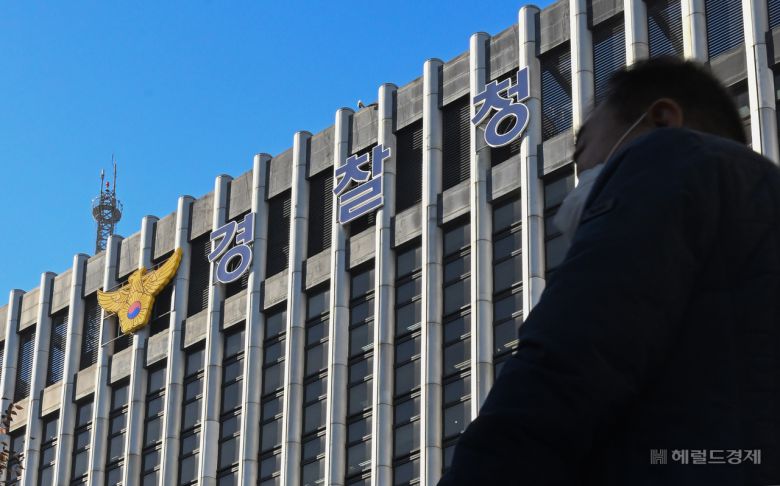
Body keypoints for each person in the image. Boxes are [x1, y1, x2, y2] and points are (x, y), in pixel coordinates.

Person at [437, 57, 780, 485]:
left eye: (583, 150)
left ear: (662, 119)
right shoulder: (753, 214)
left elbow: (569, 360)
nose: (580, 169)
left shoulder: (665, 158)